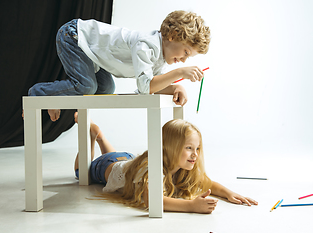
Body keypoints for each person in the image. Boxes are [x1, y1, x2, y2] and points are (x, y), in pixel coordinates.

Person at [28, 10, 211, 122]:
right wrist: (179, 73)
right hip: (75, 36)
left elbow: (150, 87)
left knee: (106, 88)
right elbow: (146, 86)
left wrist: (175, 87)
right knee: (87, 86)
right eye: (186, 52)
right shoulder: (146, 45)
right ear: (172, 35)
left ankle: (57, 95)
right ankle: (41, 93)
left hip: (94, 55)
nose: (185, 60)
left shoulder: (160, 58)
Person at [75, 117, 258, 214]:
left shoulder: (179, 165)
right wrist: (191, 206)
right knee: (80, 171)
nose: (195, 154)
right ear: (170, 147)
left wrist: (230, 194)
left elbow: (206, 183)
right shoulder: (152, 169)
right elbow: (152, 200)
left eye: (197, 148)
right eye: (188, 148)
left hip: (128, 160)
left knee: (121, 162)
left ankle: (101, 137)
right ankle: (91, 137)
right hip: (104, 167)